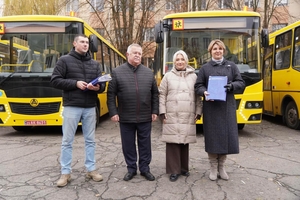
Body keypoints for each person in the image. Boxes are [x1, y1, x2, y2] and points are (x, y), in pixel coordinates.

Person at [50, 34, 105, 187]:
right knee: (67, 141)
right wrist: (75, 84)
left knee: (90, 140)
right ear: (75, 43)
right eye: (82, 42)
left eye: (87, 42)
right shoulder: (64, 60)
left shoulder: (94, 64)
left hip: (90, 107)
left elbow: (102, 86)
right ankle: (65, 173)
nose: (85, 44)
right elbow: (54, 80)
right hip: (71, 106)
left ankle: (91, 169)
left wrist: (97, 87)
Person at [194, 39, 245, 181]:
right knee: (212, 138)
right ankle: (212, 167)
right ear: (210, 51)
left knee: (226, 138)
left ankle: (221, 167)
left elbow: (241, 83)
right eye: (215, 49)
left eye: (220, 49)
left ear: (223, 51)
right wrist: (204, 92)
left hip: (227, 108)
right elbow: (198, 86)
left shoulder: (232, 66)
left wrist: (232, 86)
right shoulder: (205, 68)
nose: (217, 51)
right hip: (211, 109)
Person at [107, 43, 159, 181]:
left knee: (145, 144)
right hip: (126, 116)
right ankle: (131, 169)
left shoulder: (148, 73)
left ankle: (145, 169)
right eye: (134, 52)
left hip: (145, 116)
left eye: (139, 53)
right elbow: (111, 94)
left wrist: (155, 110)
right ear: (127, 55)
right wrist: (113, 112)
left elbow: (155, 94)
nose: (137, 55)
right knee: (128, 145)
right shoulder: (117, 72)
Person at [159, 50, 202, 182]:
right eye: (177, 59)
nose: (179, 62)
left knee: (184, 141)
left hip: (188, 112)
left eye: (182, 59)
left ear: (186, 61)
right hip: (172, 113)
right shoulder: (167, 76)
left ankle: (183, 168)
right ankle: (174, 170)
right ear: (174, 62)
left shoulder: (194, 77)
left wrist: (198, 111)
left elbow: (198, 96)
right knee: (173, 142)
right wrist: (162, 111)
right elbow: (161, 94)